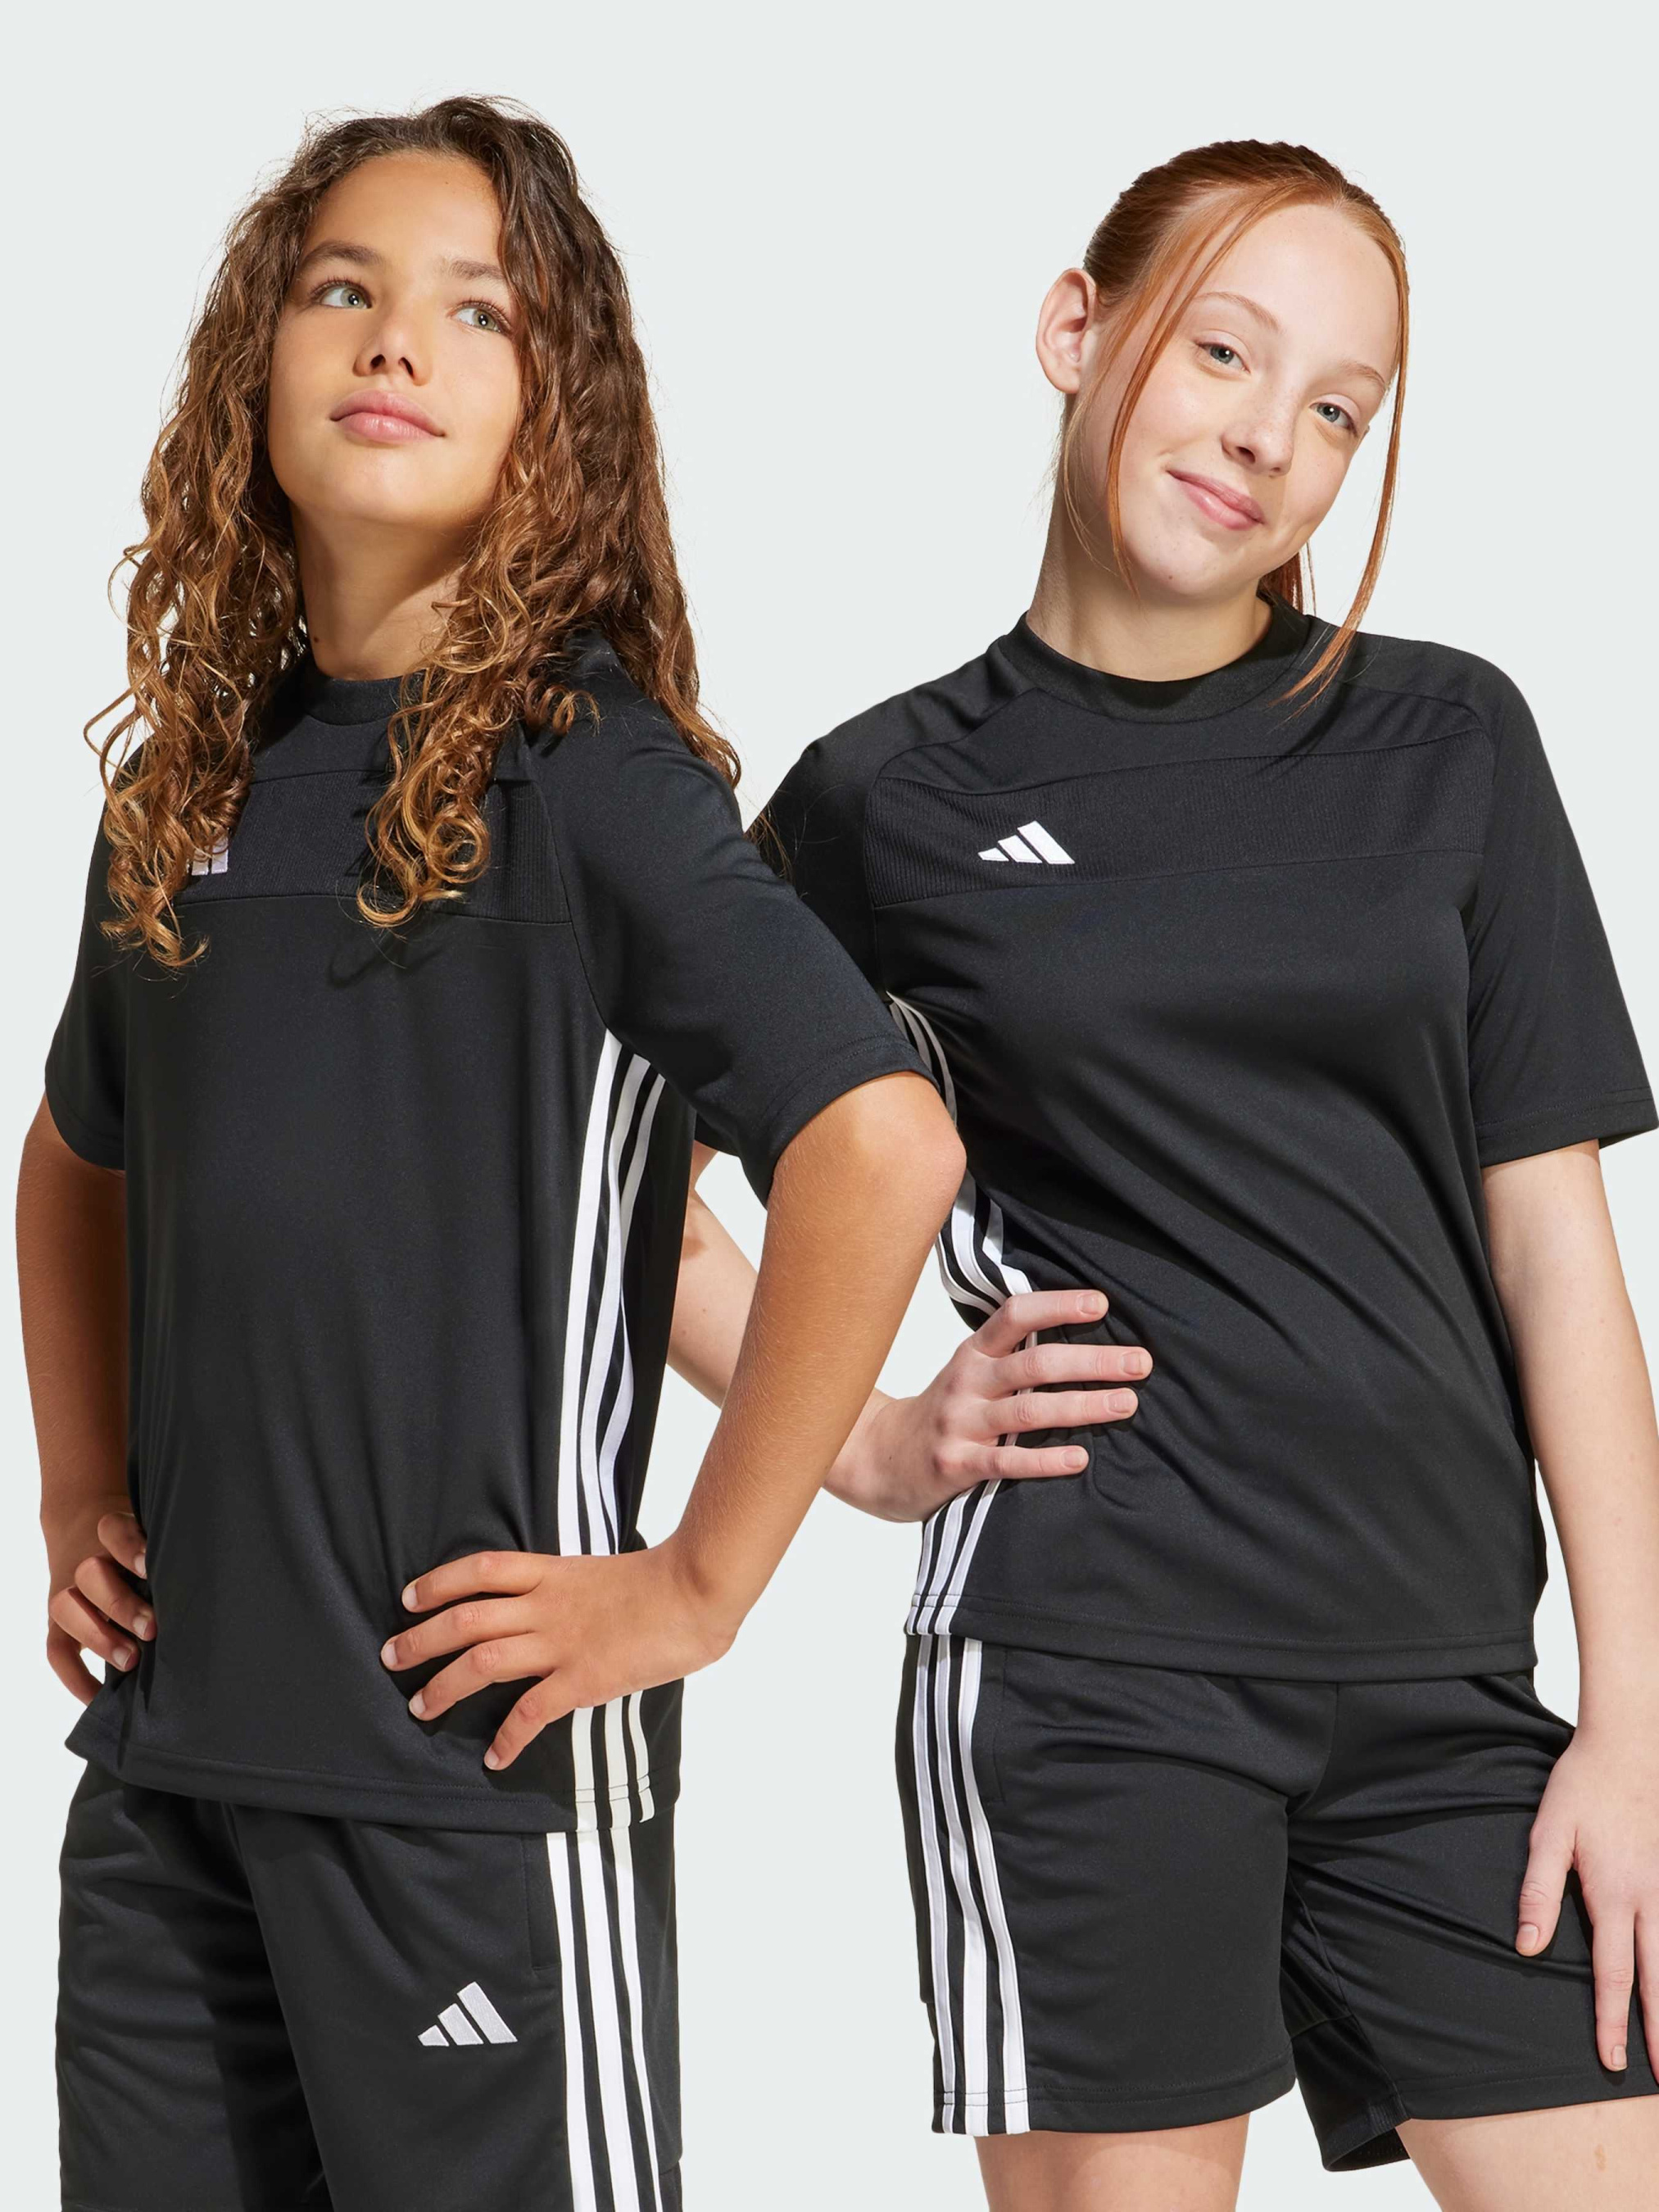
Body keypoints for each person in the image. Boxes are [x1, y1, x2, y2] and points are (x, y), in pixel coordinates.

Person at [17, 96, 968, 2212]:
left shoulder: (588, 778)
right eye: (343, 290)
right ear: (253, 360)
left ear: (559, 417)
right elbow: (76, 1156)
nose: (396, 341)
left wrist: (699, 1585)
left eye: (479, 313)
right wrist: (79, 1481)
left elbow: (877, 1145)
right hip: (170, 1783)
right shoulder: (186, 793)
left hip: (475, 1783)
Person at [688, 140, 1659, 2207]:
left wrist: (1631, 1723)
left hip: (1445, 1694)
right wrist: (861, 1439)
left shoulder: (1446, 744)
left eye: (1335, 409)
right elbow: (610, 1179)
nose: (1265, 435)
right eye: (1222, 351)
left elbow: (1555, 1257)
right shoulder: (886, 800)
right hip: (1090, 1690)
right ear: (1077, 328)